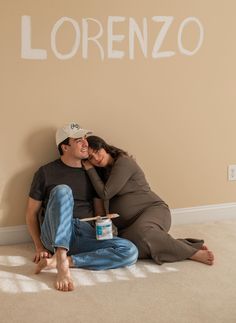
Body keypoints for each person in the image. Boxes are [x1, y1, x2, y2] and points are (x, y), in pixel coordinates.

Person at [26, 122, 138, 292]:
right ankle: (61, 259)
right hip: (54, 233)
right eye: (79, 140)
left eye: (85, 138)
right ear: (65, 147)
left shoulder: (93, 174)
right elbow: (31, 214)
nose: (86, 143)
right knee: (63, 190)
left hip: (83, 231)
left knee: (130, 251)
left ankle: (66, 261)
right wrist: (39, 247)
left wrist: (103, 221)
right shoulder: (46, 172)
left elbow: (98, 211)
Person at [82, 135, 214, 266]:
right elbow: (99, 201)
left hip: (152, 211)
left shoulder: (123, 162)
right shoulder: (100, 176)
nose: (96, 158)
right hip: (128, 227)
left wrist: (89, 168)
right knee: (131, 248)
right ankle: (179, 244)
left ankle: (191, 253)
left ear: (104, 147)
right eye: (90, 158)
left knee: (144, 235)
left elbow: (106, 193)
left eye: (97, 152)